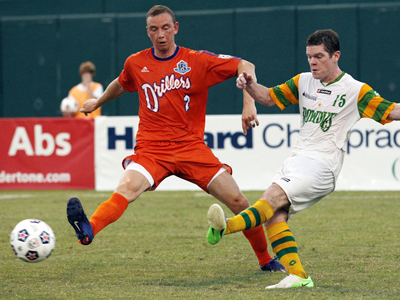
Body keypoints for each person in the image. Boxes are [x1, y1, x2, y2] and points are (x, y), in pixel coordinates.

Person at [66, 5, 285, 273]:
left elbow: (245, 65)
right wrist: (98, 101)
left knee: (239, 201)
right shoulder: (136, 62)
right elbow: (121, 84)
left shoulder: (197, 60)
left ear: (176, 28)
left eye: (166, 28)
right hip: (152, 149)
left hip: (191, 148)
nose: (161, 34)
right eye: (155, 29)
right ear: (147, 32)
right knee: (126, 189)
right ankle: (89, 230)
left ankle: (266, 260)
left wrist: (248, 102)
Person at [206, 29, 400, 289]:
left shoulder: (355, 90)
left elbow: (392, 110)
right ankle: (298, 275)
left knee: (271, 197)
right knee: (275, 215)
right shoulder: (304, 81)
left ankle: (225, 227)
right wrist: (249, 85)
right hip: (297, 159)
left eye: (319, 56)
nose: (313, 62)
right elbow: (267, 98)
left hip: (323, 166)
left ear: (336, 56)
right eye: (309, 57)